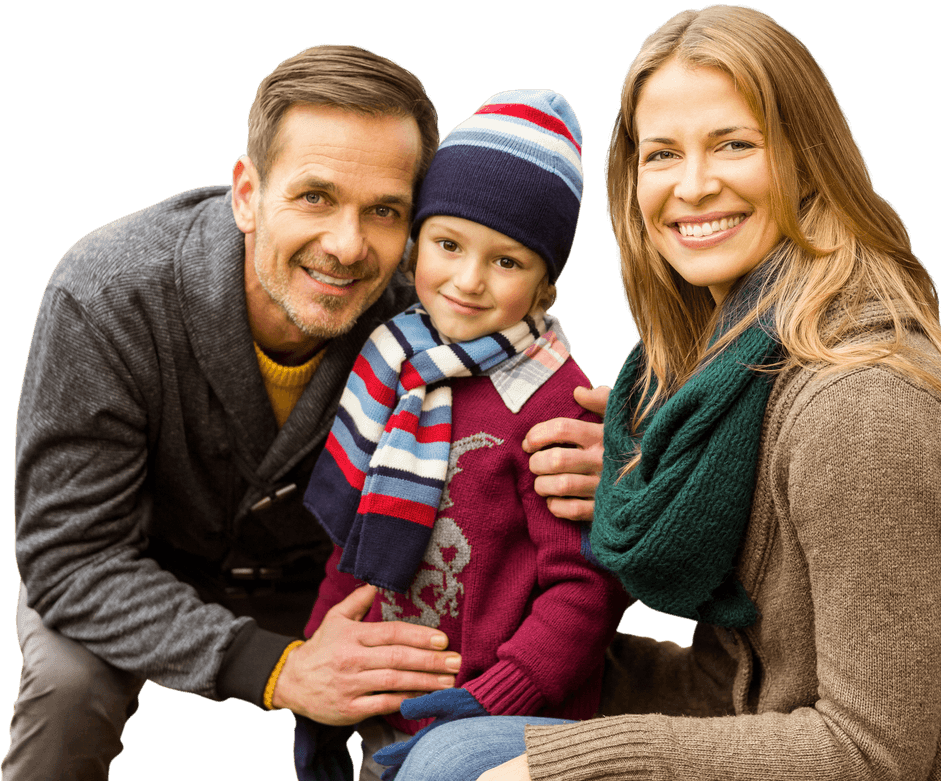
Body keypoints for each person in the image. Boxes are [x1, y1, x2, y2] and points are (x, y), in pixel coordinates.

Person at [384, 6, 941, 780]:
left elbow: (872, 753)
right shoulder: (727, 379)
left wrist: (567, 763)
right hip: (797, 737)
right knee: (446, 742)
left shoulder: (860, 405)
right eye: (662, 154)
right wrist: (499, 654)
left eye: (734, 145)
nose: (694, 186)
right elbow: (745, 682)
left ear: (807, 158)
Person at [7, 46, 606, 781]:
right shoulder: (106, 295)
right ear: (247, 192)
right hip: (131, 565)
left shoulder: (432, 319)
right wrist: (281, 668)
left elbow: (526, 367)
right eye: (315, 196)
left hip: (336, 569)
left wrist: (619, 460)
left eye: (384, 211)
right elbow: (69, 559)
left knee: (427, 669)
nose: (348, 246)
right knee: (68, 687)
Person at [291, 88, 629, 781]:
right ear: (417, 246)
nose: (469, 280)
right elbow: (356, 544)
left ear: (545, 285)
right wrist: (314, 655)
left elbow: (585, 590)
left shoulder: (555, 406)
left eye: (507, 261)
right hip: (392, 706)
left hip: (502, 726)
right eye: (449, 244)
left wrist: (492, 697)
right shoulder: (395, 364)